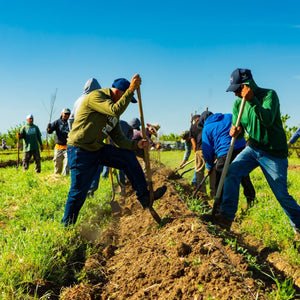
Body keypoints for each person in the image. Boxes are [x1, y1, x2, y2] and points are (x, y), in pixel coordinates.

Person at [202, 68, 300, 245]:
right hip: (253, 147)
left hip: (273, 152)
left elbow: (268, 120)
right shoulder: (238, 105)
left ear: (247, 85)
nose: (236, 95)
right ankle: (226, 217)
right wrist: (236, 131)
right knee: (232, 172)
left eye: (238, 90)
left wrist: (252, 100)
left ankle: (299, 226)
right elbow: (239, 133)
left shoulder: (269, 95)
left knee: (281, 194)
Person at [62, 74, 167, 226]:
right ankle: (67, 226)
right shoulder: (96, 96)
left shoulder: (114, 116)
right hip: (80, 150)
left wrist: (136, 145)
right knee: (78, 192)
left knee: (128, 157)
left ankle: (144, 196)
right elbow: (114, 109)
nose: (126, 104)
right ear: (118, 92)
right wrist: (132, 89)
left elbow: (119, 139)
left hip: (97, 148)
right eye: (126, 97)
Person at [199, 112, 256, 215]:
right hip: (241, 149)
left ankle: (218, 209)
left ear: (203, 121)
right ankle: (251, 200)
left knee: (220, 179)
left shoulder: (207, 128)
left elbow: (207, 151)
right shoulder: (229, 116)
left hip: (224, 153)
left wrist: (209, 165)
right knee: (243, 175)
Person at [69, 78, 105, 196]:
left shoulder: (77, 100)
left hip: (76, 143)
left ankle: (82, 193)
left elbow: (71, 119)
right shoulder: (95, 100)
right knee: (95, 166)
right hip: (91, 142)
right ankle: (90, 192)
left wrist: (73, 133)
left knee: (80, 172)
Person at [190, 114, 215, 199]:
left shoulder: (193, 126)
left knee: (199, 171)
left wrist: (195, 148)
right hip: (212, 149)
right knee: (213, 171)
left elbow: (192, 138)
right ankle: (213, 193)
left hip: (200, 150)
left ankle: (202, 194)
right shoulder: (211, 124)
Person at [47, 108, 71, 175]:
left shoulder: (71, 122)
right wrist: (49, 128)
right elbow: (50, 131)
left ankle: (65, 176)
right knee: (58, 163)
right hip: (58, 147)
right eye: (65, 114)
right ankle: (57, 176)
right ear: (62, 114)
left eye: (68, 114)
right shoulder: (57, 122)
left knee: (67, 163)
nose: (67, 115)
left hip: (68, 147)